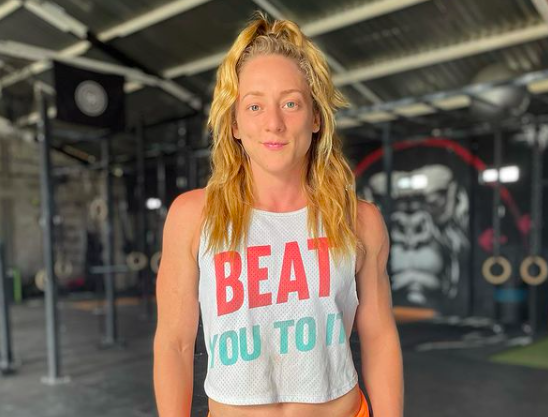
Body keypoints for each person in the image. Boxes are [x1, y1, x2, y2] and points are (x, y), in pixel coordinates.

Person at [153, 12, 403, 417]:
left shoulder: (359, 220)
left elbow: (379, 337)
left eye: (291, 103)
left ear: (316, 117)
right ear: (235, 123)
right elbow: (174, 344)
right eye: (254, 106)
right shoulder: (193, 216)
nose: (274, 123)